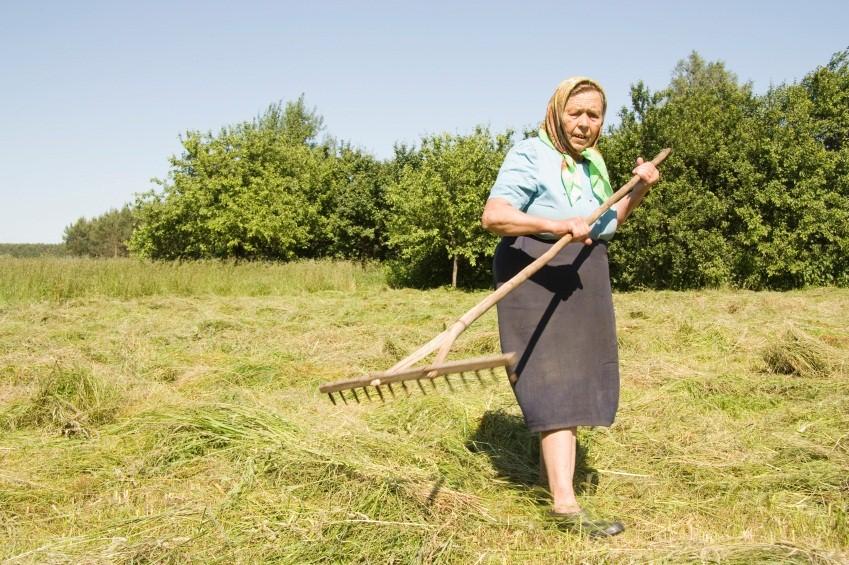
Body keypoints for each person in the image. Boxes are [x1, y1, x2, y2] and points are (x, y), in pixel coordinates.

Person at [480, 76, 659, 537]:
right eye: (575, 113)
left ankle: (552, 481)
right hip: (535, 266)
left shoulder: (591, 163)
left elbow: (606, 222)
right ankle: (564, 507)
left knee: (577, 377)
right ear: (556, 111)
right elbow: (494, 216)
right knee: (552, 379)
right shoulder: (529, 154)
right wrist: (555, 224)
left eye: (593, 115)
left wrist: (638, 189)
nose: (584, 124)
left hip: (583, 269)